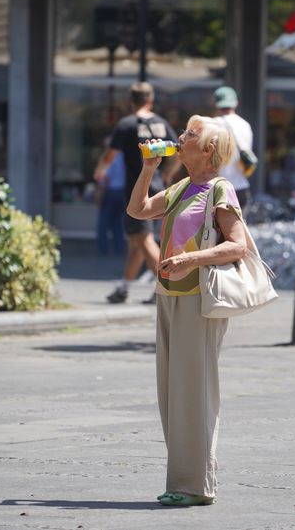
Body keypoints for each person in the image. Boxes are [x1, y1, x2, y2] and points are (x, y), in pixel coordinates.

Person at [126, 116, 246, 507]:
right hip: (169, 295)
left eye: (190, 135)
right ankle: (182, 480)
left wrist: (192, 259)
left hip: (199, 298)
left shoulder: (220, 189)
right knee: (171, 392)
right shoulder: (181, 187)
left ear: (209, 149)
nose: (180, 137)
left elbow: (237, 246)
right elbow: (138, 210)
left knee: (193, 391)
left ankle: (195, 485)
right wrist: (147, 170)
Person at [94, 82, 179, 304]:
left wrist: (99, 172)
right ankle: (124, 288)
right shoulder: (161, 123)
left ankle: (166, 286)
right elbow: (177, 150)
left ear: (131, 101)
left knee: (143, 239)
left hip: (138, 189)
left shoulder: (127, 124)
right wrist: (168, 174)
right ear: (150, 100)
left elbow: (109, 156)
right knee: (137, 241)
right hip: (159, 187)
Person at [213, 85, 254, 212]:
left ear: (217, 104)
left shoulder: (213, 124)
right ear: (235, 104)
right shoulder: (245, 125)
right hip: (241, 186)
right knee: (239, 230)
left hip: (219, 187)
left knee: (218, 231)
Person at [95, 148, 126, 256]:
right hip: (121, 192)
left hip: (110, 192)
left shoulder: (109, 158)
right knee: (118, 223)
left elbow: (104, 178)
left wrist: (99, 193)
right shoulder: (123, 156)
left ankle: (103, 249)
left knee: (103, 223)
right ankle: (119, 249)